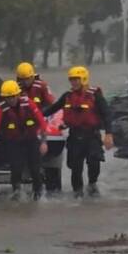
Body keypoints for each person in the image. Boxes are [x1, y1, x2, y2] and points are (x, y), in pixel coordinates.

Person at [43, 66, 113, 197]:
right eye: (71, 80)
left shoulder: (95, 95)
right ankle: (78, 193)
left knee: (94, 164)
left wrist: (108, 134)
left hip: (92, 136)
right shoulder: (67, 96)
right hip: (75, 136)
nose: (73, 82)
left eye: (76, 79)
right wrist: (35, 116)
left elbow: (107, 114)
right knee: (75, 168)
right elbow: (52, 109)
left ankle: (92, 184)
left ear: (84, 79)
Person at [0, 80, 49, 200]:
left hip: (31, 140)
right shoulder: (1, 109)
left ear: (18, 95)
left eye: (13, 96)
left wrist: (44, 142)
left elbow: (42, 122)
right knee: (16, 169)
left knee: (35, 169)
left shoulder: (29, 104)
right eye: (8, 97)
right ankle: (17, 194)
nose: (11, 100)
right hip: (14, 143)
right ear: (4, 98)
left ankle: (38, 196)